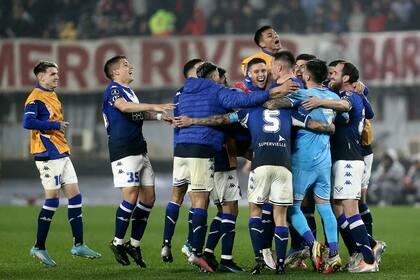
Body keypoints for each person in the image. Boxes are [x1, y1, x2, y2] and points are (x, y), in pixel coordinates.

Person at [173, 61, 288, 273]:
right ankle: (209, 252)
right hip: (219, 160)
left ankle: (207, 252)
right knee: (230, 208)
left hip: (209, 157)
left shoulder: (190, 94)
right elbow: (229, 123)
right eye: (222, 80)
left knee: (224, 209)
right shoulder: (219, 97)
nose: (226, 86)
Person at [302, 61, 383, 273]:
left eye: (334, 73)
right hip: (342, 159)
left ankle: (369, 259)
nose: (330, 76)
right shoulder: (356, 95)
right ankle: (371, 244)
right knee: (338, 209)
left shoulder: (350, 97)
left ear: (346, 78)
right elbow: (370, 113)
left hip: (348, 159)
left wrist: (320, 102)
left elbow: (345, 106)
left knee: (350, 209)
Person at [23, 61, 101, 267]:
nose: (57, 77)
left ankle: (78, 244)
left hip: (61, 153)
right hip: (47, 155)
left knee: (75, 196)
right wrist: (54, 125)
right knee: (52, 201)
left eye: (57, 73)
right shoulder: (35, 98)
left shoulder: (52, 95)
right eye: (52, 74)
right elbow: (27, 122)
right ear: (41, 77)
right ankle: (38, 247)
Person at [102, 55, 174, 267]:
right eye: (125, 65)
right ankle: (117, 242)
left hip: (139, 148)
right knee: (131, 196)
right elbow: (124, 108)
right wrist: (155, 105)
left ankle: (133, 244)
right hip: (123, 149)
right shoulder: (113, 89)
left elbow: (136, 115)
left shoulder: (130, 93)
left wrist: (161, 117)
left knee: (149, 198)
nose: (131, 66)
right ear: (115, 72)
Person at [161, 58, 203, 263]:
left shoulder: (179, 93)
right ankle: (190, 244)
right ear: (191, 74)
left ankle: (166, 244)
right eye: (200, 69)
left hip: (179, 150)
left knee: (176, 197)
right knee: (197, 199)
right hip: (196, 149)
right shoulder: (198, 92)